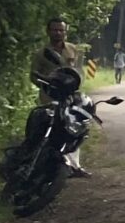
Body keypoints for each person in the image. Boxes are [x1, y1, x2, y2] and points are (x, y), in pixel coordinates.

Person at [31, 17, 89, 175]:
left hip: (70, 97)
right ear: (48, 32)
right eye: (55, 30)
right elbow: (34, 75)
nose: (58, 33)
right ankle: (44, 164)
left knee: (72, 127)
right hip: (49, 97)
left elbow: (79, 71)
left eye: (61, 30)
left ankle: (74, 166)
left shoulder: (73, 49)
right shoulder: (41, 53)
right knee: (48, 128)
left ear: (66, 32)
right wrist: (46, 86)